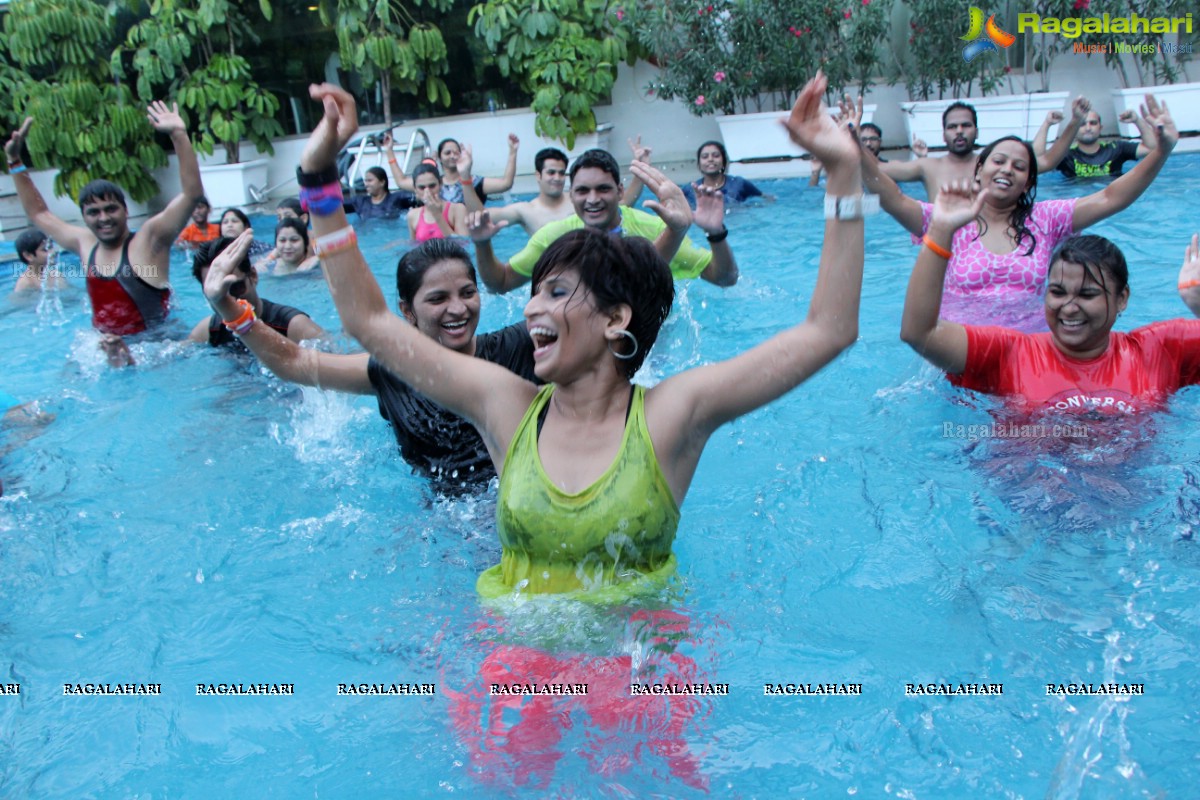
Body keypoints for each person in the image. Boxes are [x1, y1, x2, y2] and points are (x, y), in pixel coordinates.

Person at [298, 71, 861, 597]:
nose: (534, 308)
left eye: (558, 292)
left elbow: (828, 331)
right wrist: (319, 178)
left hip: (637, 674)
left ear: (617, 320)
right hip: (517, 675)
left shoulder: (673, 415)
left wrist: (843, 175)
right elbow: (368, 322)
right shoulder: (503, 405)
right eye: (535, 292)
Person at [201, 232, 536, 489]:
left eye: (467, 293)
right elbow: (295, 363)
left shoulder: (516, 349)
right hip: (446, 527)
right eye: (438, 298)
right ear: (407, 311)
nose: (458, 309)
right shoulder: (389, 371)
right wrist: (228, 307)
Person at [862, 94, 1177, 331]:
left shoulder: (1047, 219)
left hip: (1029, 352)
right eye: (999, 161)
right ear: (979, 170)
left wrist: (1162, 153)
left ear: (1028, 183)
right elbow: (891, 196)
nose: (1007, 170)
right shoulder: (946, 220)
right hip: (960, 351)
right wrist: (850, 144)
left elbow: (1111, 197)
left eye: (1019, 166)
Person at [901, 181, 1200, 415]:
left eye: (1088, 294)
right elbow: (919, 333)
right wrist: (941, 229)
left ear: (1123, 299)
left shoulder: (1158, 349)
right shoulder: (1010, 354)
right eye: (1057, 292)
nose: (1069, 307)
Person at [4, 101, 204, 336]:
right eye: (94, 212)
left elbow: (192, 194)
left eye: (111, 209)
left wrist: (179, 135)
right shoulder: (84, 243)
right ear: (84, 218)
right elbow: (38, 213)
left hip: (156, 349)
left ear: (126, 211)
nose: (104, 218)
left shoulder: (151, 239)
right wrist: (15, 162)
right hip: (105, 351)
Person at [468, 149, 738, 294]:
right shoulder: (553, 238)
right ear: (571, 195)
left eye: (603, 189)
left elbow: (724, 278)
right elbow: (500, 283)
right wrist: (482, 245)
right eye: (582, 191)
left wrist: (716, 233)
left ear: (621, 192)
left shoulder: (654, 228)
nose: (592, 199)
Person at [876, 99, 1085, 200]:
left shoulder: (993, 164)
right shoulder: (927, 167)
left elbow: (1048, 162)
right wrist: (852, 138)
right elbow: (877, 169)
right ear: (943, 135)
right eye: (952, 127)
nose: (959, 131)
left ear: (976, 132)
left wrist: (1075, 122)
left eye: (965, 126)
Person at [188, 236, 323, 348]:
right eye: (216, 295)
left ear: (253, 275)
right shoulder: (209, 331)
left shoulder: (295, 327)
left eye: (235, 288)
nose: (229, 301)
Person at [458, 147, 572, 235]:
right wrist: (465, 177)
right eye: (551, 173)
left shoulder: (575, 200)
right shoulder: (526, 210)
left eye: (561, 173)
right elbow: (480, 215)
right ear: (538, 175)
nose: (557, 178)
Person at [385, 133, 519, 204]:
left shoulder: (475, 182)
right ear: (439, 157)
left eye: (456, 152)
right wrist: (389, 150)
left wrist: (512, 152)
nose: (453, 156)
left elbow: (506, 184)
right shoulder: (432, 184)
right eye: (447, 153)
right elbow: (401, 182)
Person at [1033, 107, 1157, 179]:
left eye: (1092, 123)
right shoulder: (1066, 155)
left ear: (1100, 128)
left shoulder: (1116, 149)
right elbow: (1036, 161)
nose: (1088, 128)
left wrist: (1137, 120)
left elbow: (1151, 148)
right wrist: (1047, 123)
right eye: (1082, 124)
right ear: (1075, 130)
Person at [678, 140, 763, 207]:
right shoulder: (689, 189)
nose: (710, 159)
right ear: (699, 164)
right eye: (705, 157)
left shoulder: (739, 183)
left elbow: (766, 199)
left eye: (716, 155)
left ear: (724, 161)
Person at [407, 163, 467, 242]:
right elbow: (413, 249)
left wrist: (437, 215)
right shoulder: (412, 215)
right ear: (415, 189)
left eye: (432, 186)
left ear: (440, 184)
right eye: (422, 188)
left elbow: (463, 245)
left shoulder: (458, 209)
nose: (428, 191)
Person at [342, 165, 418, 221]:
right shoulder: (360, 202)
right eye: (365, 181)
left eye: (370, 180)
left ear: (382, 182)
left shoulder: (397, 199)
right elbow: (336, 206)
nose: (366, 184)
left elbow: (421, 197)